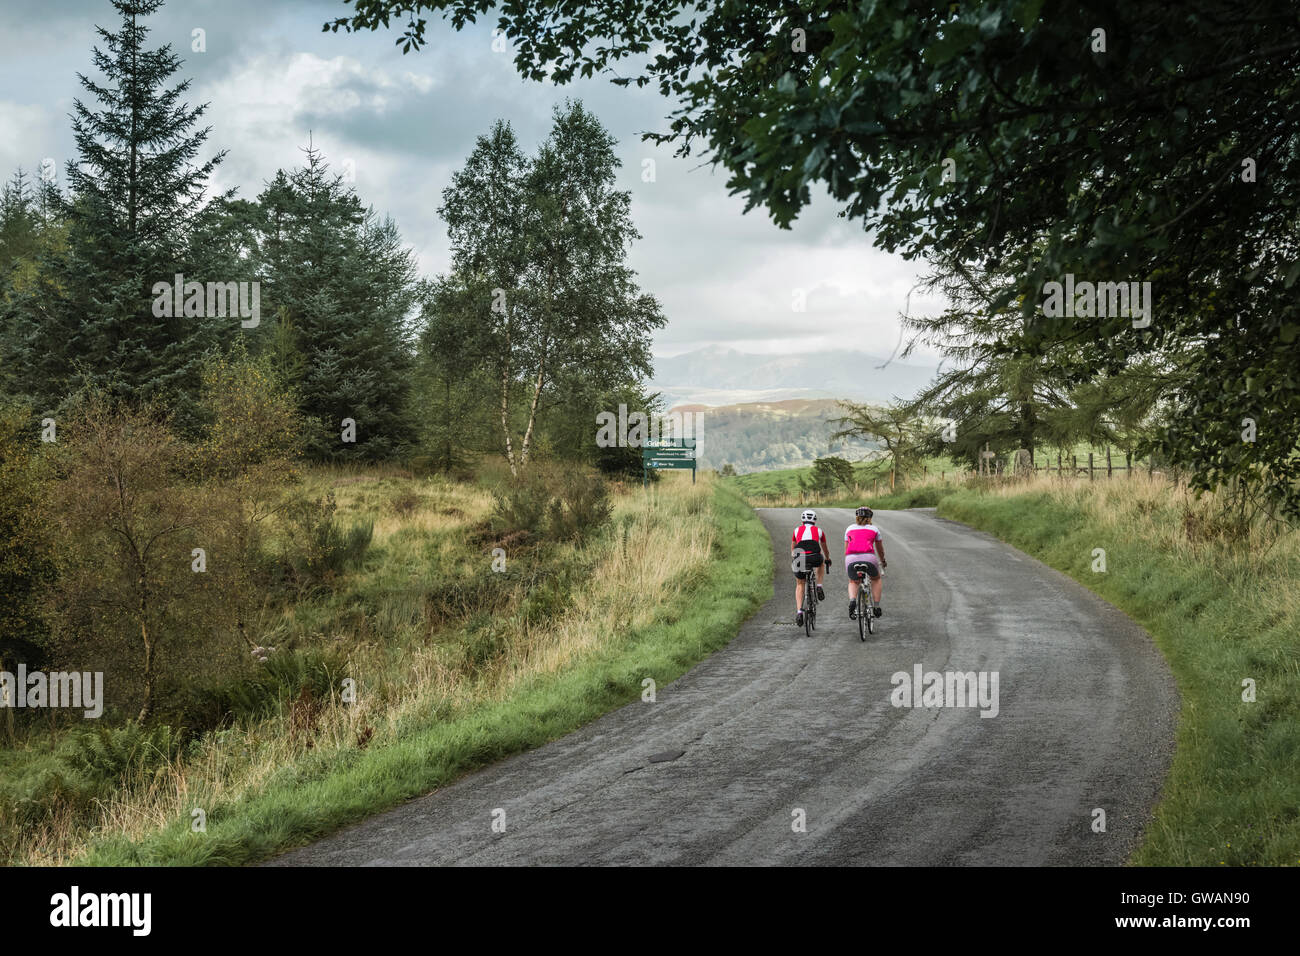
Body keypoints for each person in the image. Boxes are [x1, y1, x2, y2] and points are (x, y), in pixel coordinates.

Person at [844, 506, 886, 619]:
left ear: (857, 517)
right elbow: (880, 549)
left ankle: (853, 600)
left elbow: (846, 548)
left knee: (853, 581)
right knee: (876, 579)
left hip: (851, 558)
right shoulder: (874, 529)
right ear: (870, 517)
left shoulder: (849, 529)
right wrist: (883, 561)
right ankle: (876, 606)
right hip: (869, 558)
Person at [791, 509, 831, 627]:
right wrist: (828, 558)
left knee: (800, 584)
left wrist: (794, 560)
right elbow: (825, 549)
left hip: (800, 557)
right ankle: (819, 586)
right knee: (821, 563)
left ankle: (799, 611)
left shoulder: (796, 530)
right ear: (815, 520)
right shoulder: (819, 531)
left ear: (802, 519)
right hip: (814, 556)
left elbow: (793, 549)